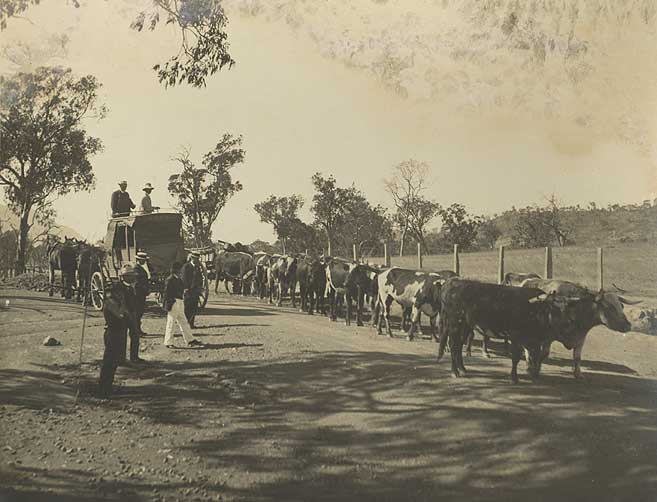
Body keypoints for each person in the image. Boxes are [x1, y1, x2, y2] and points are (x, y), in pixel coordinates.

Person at [98, 264, 138, 398]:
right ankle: (103, 390)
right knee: (109, 362)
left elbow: (129, 308)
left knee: (114, 362)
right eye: (131, 276)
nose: (133, 278)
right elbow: (118, 312)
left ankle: (107, 387)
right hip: (113, 330)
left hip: (121, 330)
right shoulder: (113, 296)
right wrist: (123, 312)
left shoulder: (129, 289)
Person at [163, 261, 202, 348]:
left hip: (179, 301)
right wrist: (170, 304)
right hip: (174, 302)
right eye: (179, 270)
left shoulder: (178, 279)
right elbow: (166, 294)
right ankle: (168, 342)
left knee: (184, 321)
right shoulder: (170, 280)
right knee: (171, 322)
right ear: (176, 270)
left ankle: (190, 339)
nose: (180, 271)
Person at [181, 251, 204, 328]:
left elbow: (200, 278)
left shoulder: (197, 267)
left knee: (194, 307)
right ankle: (185, 324)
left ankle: (191, 323)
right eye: (195, 259)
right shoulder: (186, 267)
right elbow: (184, 278)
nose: (196, 260)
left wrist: (200, 287)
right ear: (192, 258)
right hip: (188, 291)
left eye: (198, 259)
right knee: (187, 307)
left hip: (195, 291)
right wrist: (186, 288)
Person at [134, 251, 151, 336]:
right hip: (138, 294)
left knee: (139, 312)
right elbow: (137, 283)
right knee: (137, 312)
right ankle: (136, 330)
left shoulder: (141, 268)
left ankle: (138, 330)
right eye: (142, 260)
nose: (144, 261)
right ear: (138, 260)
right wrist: (145, 289)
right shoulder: (136, 269)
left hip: (141, 294)